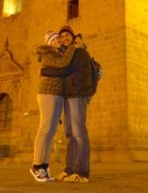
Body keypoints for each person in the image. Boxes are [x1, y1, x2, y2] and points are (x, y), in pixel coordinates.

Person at [40, 25, 96, 183]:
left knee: (79, 133)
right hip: (68, 95)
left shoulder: (78, 50)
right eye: (61, 36)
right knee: (70, 134)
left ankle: (82, 172)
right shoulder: (67, 53)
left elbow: (64, 69)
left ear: (72, 37)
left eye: (67, 35)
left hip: (77, 94)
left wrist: (45, 71)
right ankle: (70, 169)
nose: (64, 38)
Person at [30, 31, 77, 182]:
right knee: (45, 129)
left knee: (51, 131)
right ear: (49, 42)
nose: (58, 40)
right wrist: (72, 47)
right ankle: (36, 165)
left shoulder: (58, 53)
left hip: (57, 94)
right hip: (47, 93)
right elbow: (62, 64)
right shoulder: (48, 53)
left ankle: (44, 167)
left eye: (58, 38)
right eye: (55, 39)